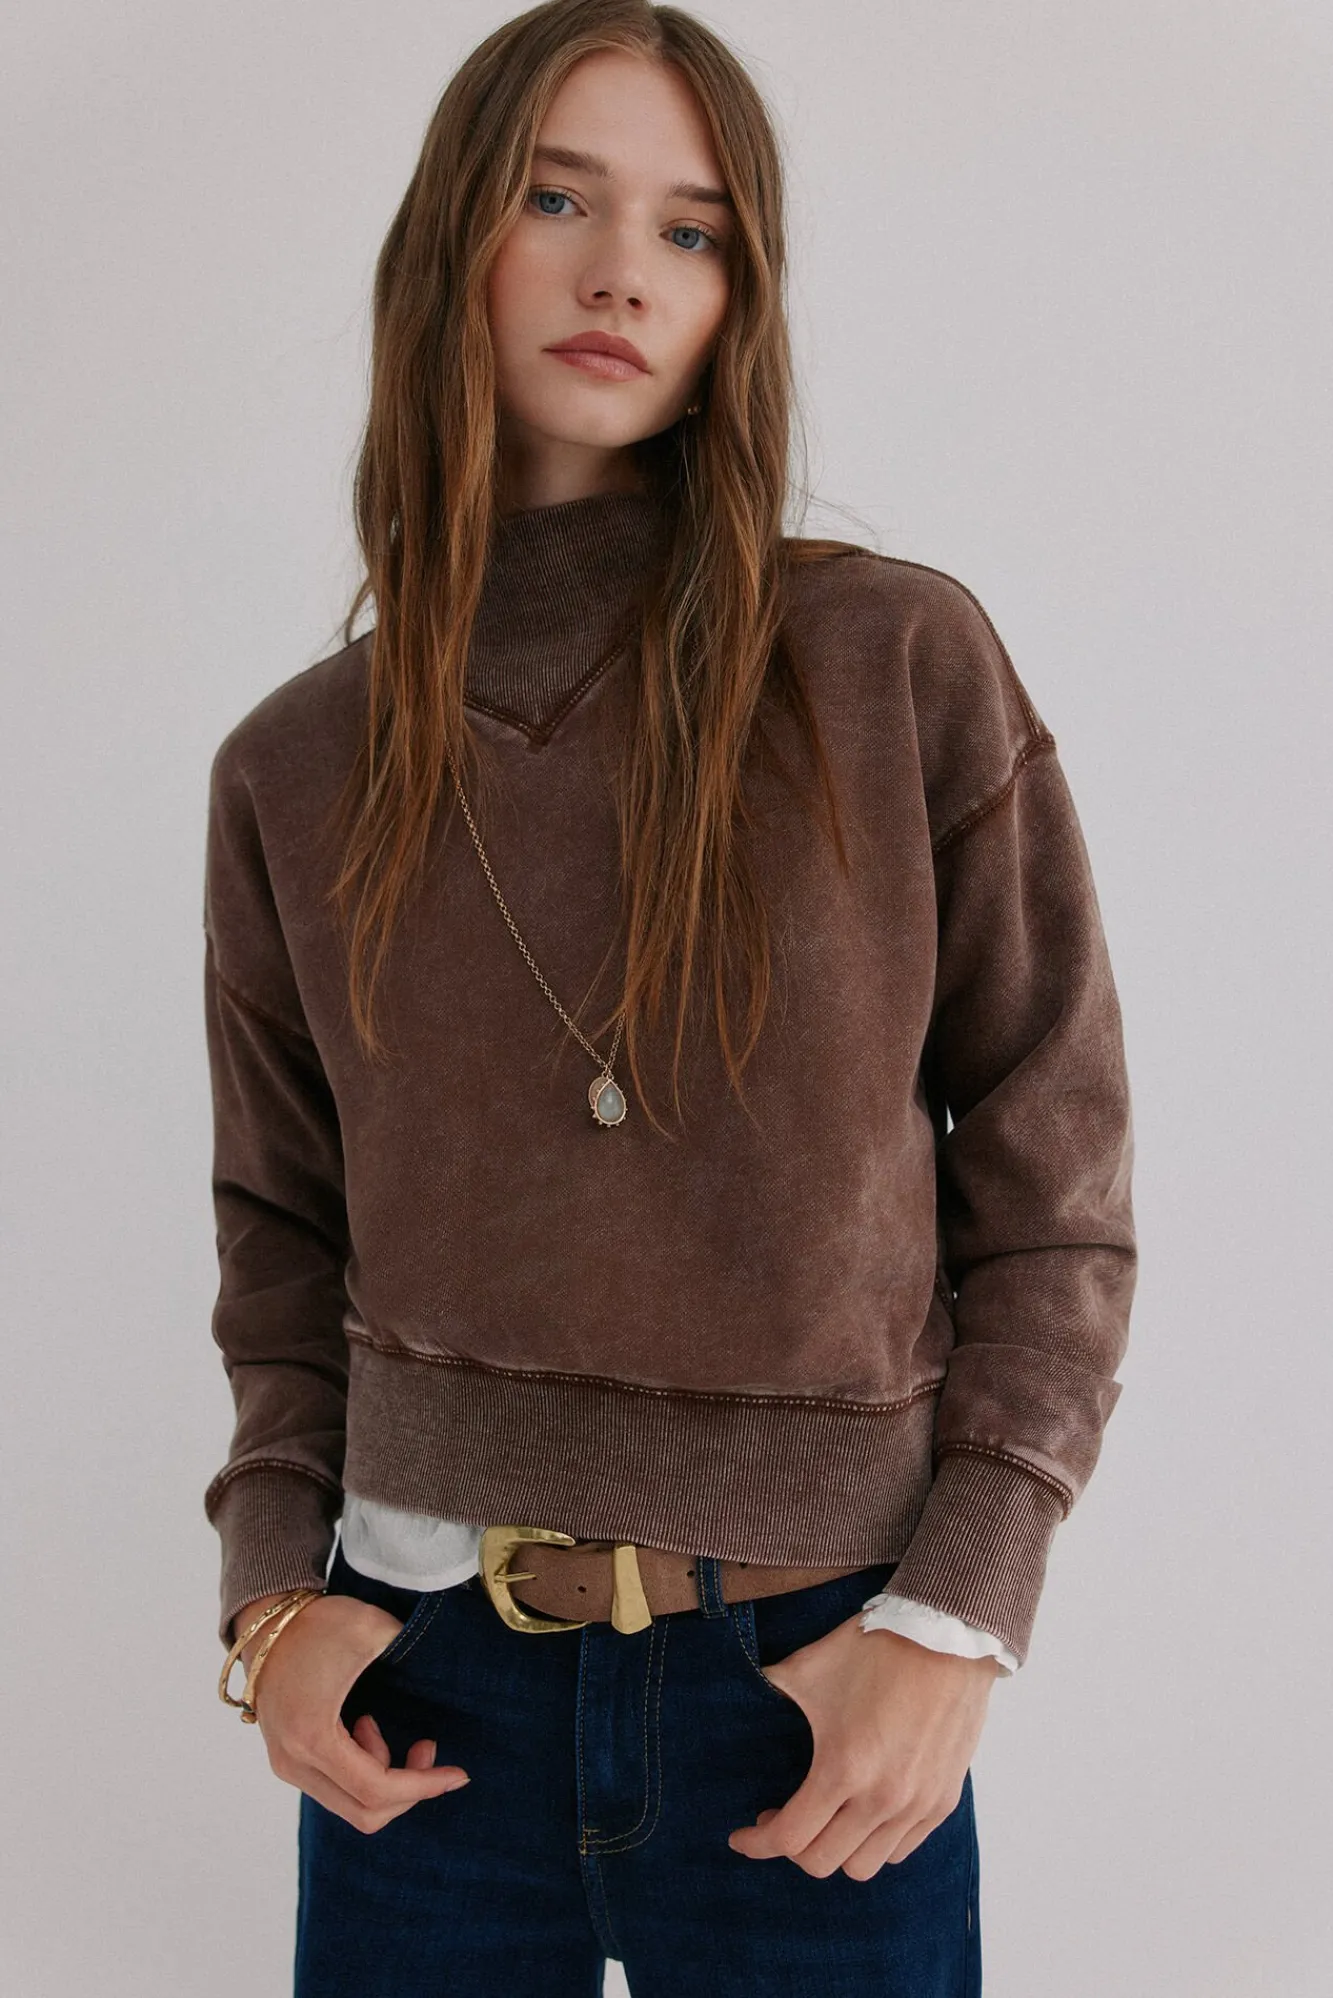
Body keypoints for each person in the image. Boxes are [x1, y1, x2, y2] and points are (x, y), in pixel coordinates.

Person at [203, 3, 1137, 1991]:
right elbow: (281, 1230)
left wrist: (957, 1618)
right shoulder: (296, 763)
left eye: (693, 229)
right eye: (559, 199)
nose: (624, 269)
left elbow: (1055, 1180)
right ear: (453, 239)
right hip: (420, 1707)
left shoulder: (891, 665)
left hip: (815, 1681)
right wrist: (271, 1596)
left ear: (739, 298)